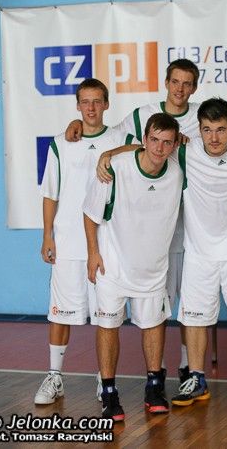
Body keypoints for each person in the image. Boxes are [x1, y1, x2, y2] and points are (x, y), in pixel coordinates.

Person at [70, 59, 201, 384]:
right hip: (139, 244)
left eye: (187, 83)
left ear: (194, 87)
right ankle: (132, 378)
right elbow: (116, 137)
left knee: (181, 308)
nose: (180, 89)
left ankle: (187, 367)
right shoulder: (143, 114)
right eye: (175, 82)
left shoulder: (202, 117)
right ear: (166, 83)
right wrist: (103, 149)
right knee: (151, 315)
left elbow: (223, 137)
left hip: (183, 236)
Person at [83, 113, 183, 421]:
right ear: (144, 140)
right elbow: (90, 213)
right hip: (112, 265)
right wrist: (93, 253)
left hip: (153, 269)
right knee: (108, 326)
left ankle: (154, 388)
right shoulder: (115, 167)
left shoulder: (177, 171)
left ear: (175, 145)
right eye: (154, 140)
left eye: (167, 142)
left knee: (154, 325)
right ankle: (109, 392)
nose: (159, 148)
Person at [34, 79, 127, 405]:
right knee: (60, 313)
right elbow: (51, 193)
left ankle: (105, 379)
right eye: (85, 102)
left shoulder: (119, 138)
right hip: (69, 243)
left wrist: (112, 152)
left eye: (97, 101)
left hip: (107, 245)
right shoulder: (61, 143)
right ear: (77, 105)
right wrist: (47, 234)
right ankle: (54, 376)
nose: (91, 108)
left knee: (107, 317)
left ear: (106, 104)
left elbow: (142, 149)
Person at [169, 98, 227, 408]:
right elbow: (145, 149)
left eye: (220, 129)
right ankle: (196, 378)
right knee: (195, 319)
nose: (214, 138)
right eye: (207, 130)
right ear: (199, 129)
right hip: (198, 252)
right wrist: (107, 155)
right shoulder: (185, 150)